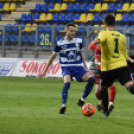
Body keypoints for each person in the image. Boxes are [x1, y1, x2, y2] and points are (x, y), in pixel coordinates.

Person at [37, 22, 95, 114]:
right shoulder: (60, 43)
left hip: (78, 67)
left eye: (74, 31)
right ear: (66, 30)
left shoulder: (78, 41)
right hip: (66, 67)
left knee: (92, 80)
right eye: (71, 31)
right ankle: (63, 105)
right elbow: (52, 57)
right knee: (67, 83)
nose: (73, 33)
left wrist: (86, 67)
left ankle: (81, 100)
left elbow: (80, 54)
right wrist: (44, 71)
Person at [88, 13, 134, 116]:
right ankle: (107, 107)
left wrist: (92, 43)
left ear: (105, 24)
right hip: (122, 67)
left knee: (103, 88)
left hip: (108, 68)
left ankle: (105, 109)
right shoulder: (122, 36)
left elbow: (98, 40)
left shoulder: (104, 33)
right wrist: (129, 60)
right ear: (116, 24)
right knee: (130, 86)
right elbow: (124, 53)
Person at [94, 44, 116, 112]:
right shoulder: (99, 47)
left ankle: (110, 103)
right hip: (100, 70)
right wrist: (100, 64)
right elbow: (96, 60)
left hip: (109, 69)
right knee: (97, 92)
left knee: (111, 85)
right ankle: (103, 102)